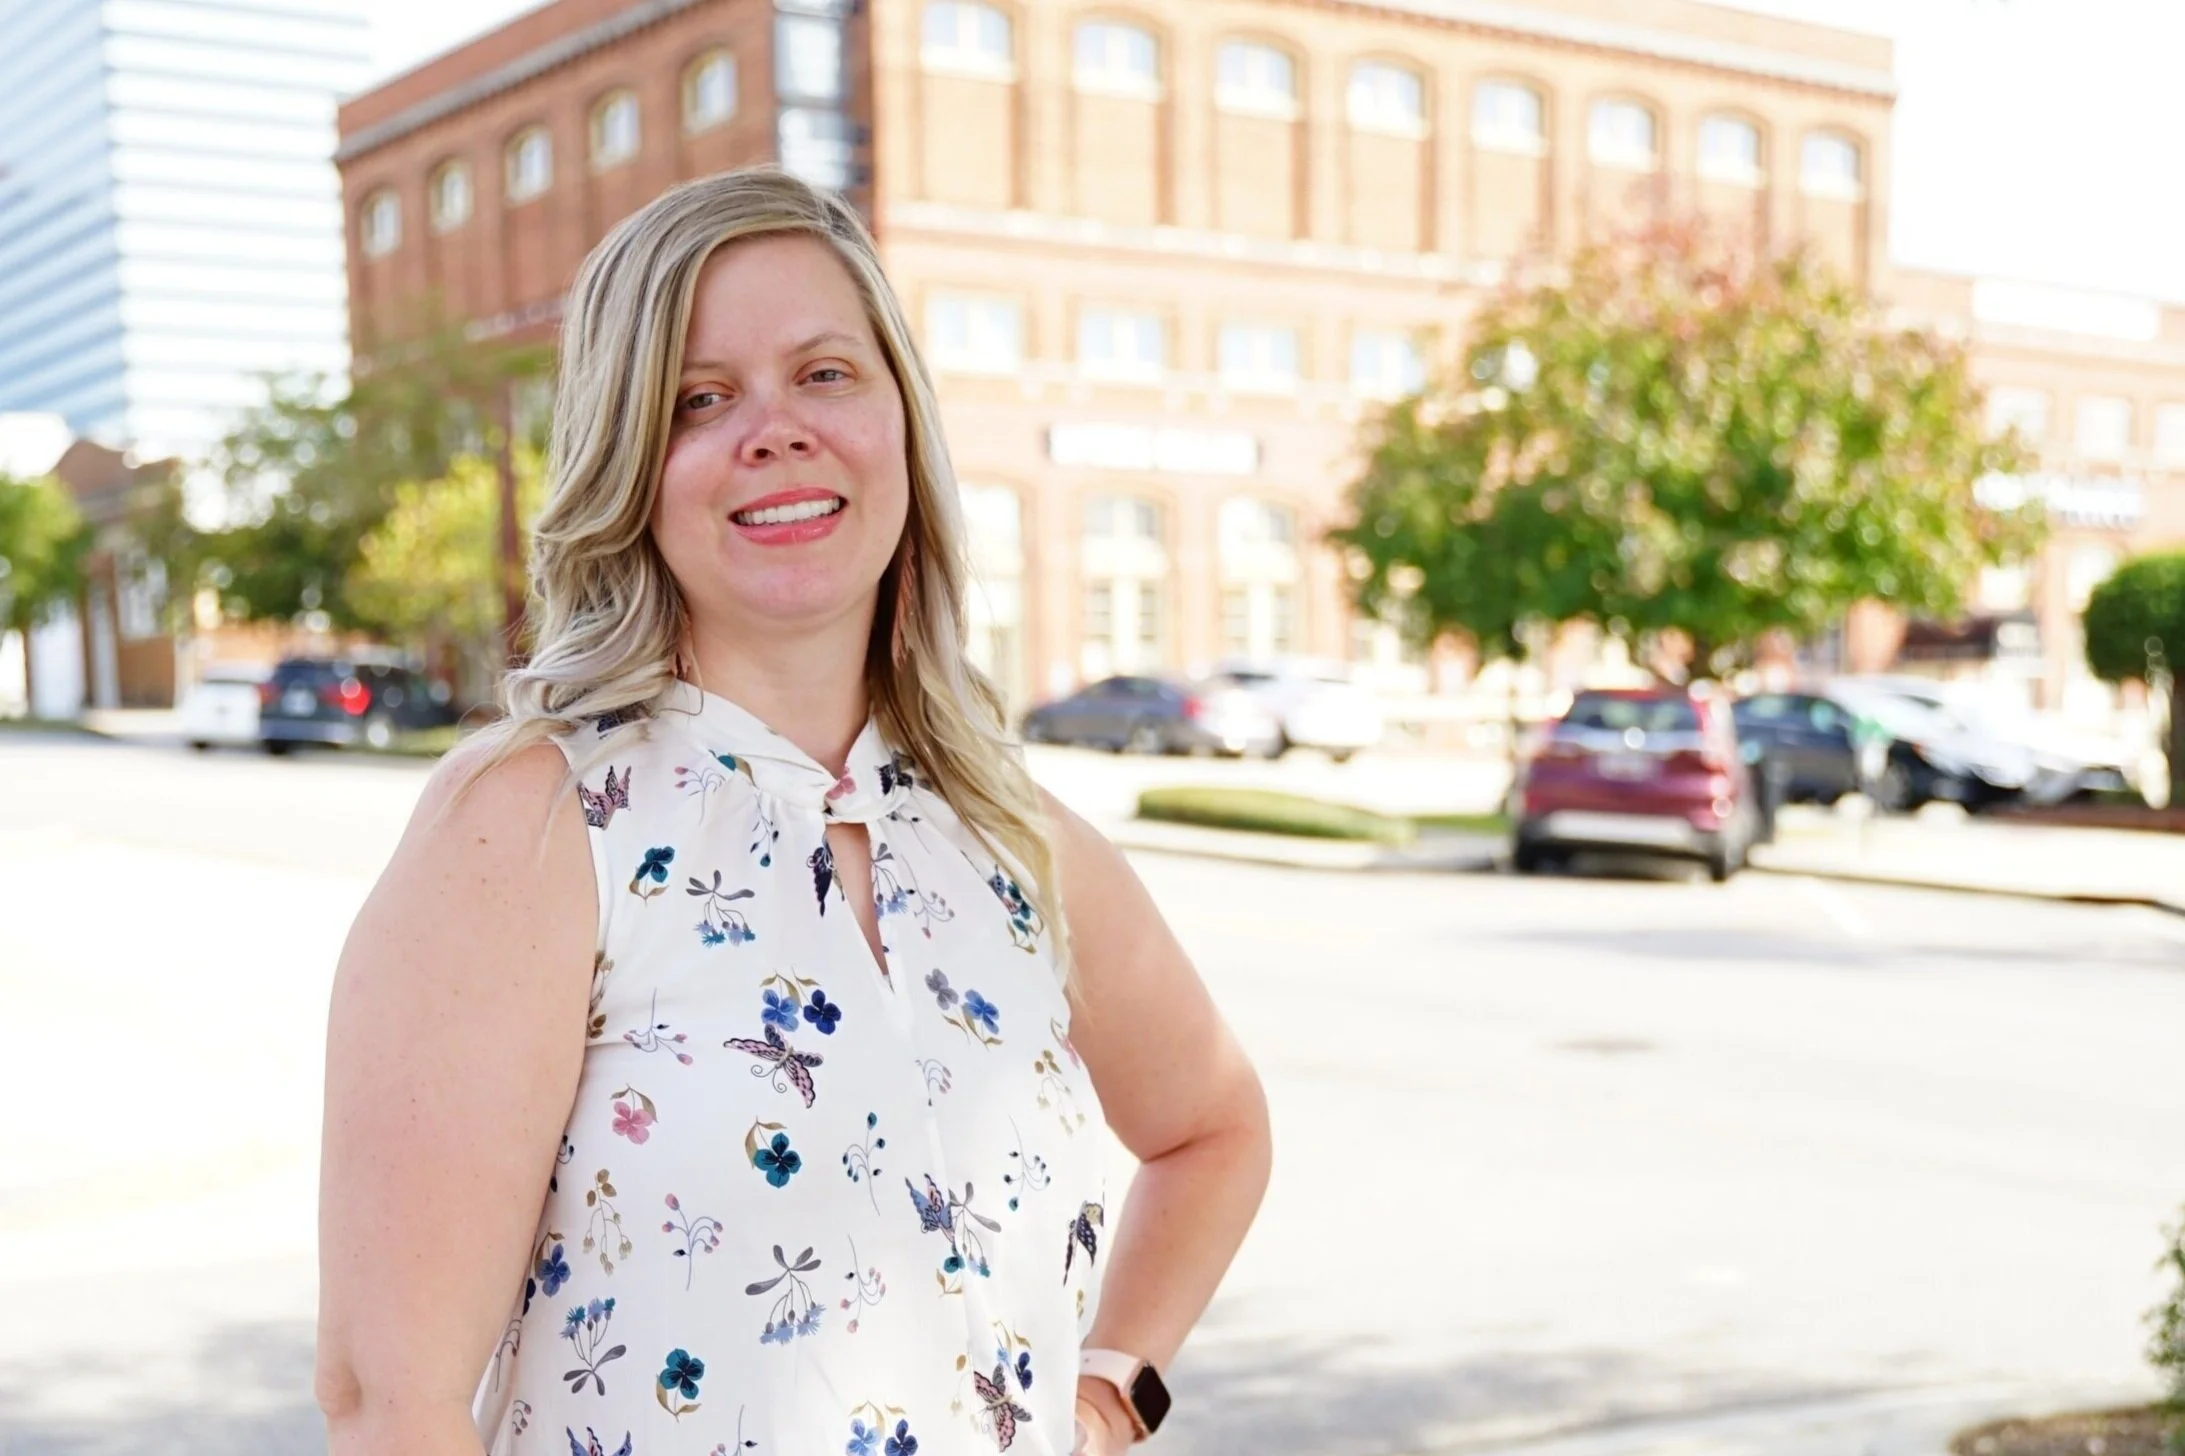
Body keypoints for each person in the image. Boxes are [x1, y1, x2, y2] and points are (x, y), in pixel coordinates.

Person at [313, 167, 1272, 1456]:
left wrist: (1110, 1397)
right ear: (629, 467)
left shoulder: (1010, 834)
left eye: (825, 374)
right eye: (700, 400)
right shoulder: (538, 824)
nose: (775, 431)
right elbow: (391, 1402)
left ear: (900, 424)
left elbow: (1214, 1129)